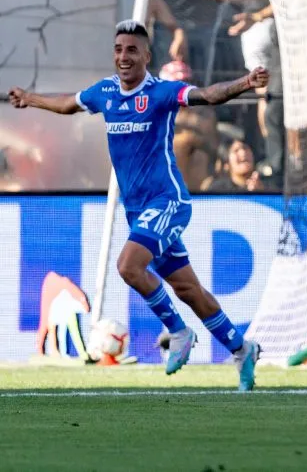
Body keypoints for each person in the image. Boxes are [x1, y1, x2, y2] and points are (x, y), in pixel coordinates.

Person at [7, 21, 266, 391]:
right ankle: (242, 349)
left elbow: (208, 95)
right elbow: (69, 104)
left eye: (131, 50)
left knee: (128, 266)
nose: (123, 57)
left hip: (167, 201)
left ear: (147, 55)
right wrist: (31, 99)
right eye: (118, 49)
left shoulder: (161, 93)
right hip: (139, 211)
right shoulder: (105, 92)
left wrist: (245, 82)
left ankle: (178, 331)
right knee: (188, 289)